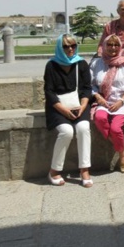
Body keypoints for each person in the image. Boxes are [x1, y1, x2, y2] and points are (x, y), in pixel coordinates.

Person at [44, 34, 93, 187]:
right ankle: (54, 170)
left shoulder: (81, 64)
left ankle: (84, 169)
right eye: (66, 46)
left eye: (73, 45)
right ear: (60, 48)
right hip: (58, 107)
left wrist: (83, 106)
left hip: (79, 105)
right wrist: (64, 110)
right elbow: (49, 92)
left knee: (83, 128)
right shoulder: (51, 65)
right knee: (66, 131)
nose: (70, 49)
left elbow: (87, 89)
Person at [90, 35, 124, 173]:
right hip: (104, 101)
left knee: (116, 128)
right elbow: (91, 84)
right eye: (110, 45)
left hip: (122, 102)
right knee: (99, 118)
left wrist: (121, 101)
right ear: (104, 46)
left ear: (120, 47)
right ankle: (121, 147)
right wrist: (98, 97)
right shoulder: (97, 63)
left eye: (116, 45)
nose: (113, 48)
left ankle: (122, 155)